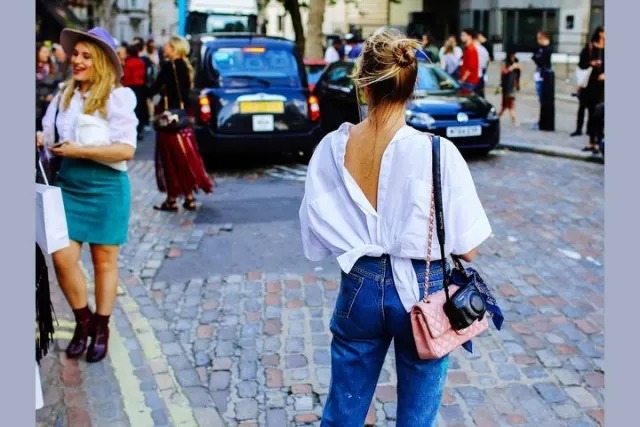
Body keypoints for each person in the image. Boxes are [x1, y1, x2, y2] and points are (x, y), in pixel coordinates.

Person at [299, 29, 492, 426]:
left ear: (364, 85)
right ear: (410, 88)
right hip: (425, 289)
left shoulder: (332, 149)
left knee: (343, 413)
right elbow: (468, 248)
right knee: (418, 418)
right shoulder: (439, 153)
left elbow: (316, 235)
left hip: (360, 285)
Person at [36, 27, 139, 363]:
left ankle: (102, 328)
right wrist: (41, 139)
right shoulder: (63, 96)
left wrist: (79, 151)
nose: (77, 61)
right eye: (76, 54)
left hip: (107, 187)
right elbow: (51, 137)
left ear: (102, 62)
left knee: (104, 262)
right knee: (62, 258)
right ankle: (84, 321)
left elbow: (126, 150)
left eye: (86, 56)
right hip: (68, 185)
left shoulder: (117, 97)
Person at [147, 35, 214, 211]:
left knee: (169, 161)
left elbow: (154, 89)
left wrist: (141, 91)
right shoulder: (186, 66)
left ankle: (172, 199)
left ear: (174, 48)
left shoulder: (169, 67)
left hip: (169, 119)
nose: (164, 48)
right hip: (183, 119)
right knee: (184, 158)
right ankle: (189, 197)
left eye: (167, 46)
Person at [576, 26, 605, 153]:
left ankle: (599, 142)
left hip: (602, 86)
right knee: (591, 113)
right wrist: (591, 64)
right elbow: (581, 64)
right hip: (589, 84)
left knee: (600, 114)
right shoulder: (590, 48)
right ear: (600, 34)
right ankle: (591, 141)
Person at [122, 44, 148, 140]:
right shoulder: (141, 62)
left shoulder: (128, 63)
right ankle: (139, 129)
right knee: (140, 109)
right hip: (140, 87)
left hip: (130, 86)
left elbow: (126, 76)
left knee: (131, 109)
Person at [36, 43, 57, 131]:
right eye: (44, 52)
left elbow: (59, 85)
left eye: (48, 52)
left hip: (47, 106)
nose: (47, 54)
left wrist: (52, 95)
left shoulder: (53, 68)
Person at [498, 50, 520, 126]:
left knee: (508, 104)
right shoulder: (505, 62)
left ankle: (498, 118)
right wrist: (511, 68)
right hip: (507, 85)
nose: (513, 57)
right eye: (512, 55)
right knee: (507, 105)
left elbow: (519, 70)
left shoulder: (516, 62)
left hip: (512, 85)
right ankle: (514, 120)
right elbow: (503, 71)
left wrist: (516, 66)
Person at [458, 28, 480, 95]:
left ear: (469, 36)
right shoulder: (467, 48)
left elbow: (470, 67)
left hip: (469, 81)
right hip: (467, 80)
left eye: (463, 35)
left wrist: (463, 79)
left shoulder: (471, 49)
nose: (461, 37)